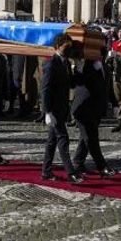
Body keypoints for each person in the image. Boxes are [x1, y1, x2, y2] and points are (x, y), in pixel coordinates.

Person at [40, 34, 85, 184]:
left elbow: (71, 84)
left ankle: (46, 171)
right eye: (66, 46)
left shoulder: (65, 63)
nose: (69, 49)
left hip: (62, 108)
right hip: (53, 109)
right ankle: (71, 173)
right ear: (58, 46)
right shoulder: (51, 63)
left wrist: (78, 69)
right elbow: (45, 89)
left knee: (52, 141)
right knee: (62, 139)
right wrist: (47, 111)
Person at [72, 57, 117, 178]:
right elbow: (78, 82)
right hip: (83, 108)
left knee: (86, 137)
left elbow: (108, 86)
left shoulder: (103, 65)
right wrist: (81, 68)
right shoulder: (84, 65)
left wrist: (115, 103)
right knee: (91, 138)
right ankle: (102, 167)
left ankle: (78, 162)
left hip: (97, 108)